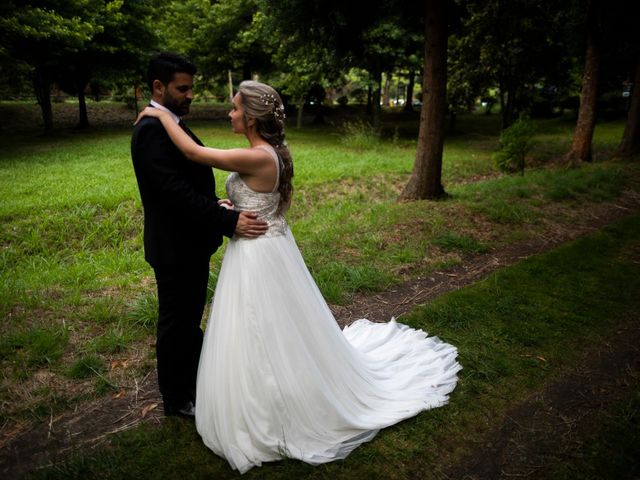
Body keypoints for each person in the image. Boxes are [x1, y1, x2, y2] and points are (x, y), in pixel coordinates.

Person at [135, 80, 461, 473]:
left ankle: (276, 403)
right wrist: (229, 204)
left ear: (252, 118)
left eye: (236, 108)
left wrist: (158, 114)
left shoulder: (258, 157)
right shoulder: (271, 154)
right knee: (268, 327)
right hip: (263, 244)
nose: (230, 113)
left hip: (258, 254)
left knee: (261, 326)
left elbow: (193, 152)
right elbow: (259, 199)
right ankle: (258, 389)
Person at [130, 53, 268, 419]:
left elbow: (187, 178)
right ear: (159, 87)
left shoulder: (167, 123)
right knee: (177, 323)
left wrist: (214, 204)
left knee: (188, 320)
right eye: (183, 88)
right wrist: (229, 221)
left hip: (188, 242)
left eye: (191, 87)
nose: (191, 94)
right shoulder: (150, 131)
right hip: (174, 247)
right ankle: (177, 399)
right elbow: (174, 192)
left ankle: (193, 384)